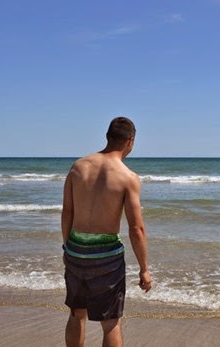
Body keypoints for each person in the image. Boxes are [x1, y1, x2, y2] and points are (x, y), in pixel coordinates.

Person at [61, 116, 151, 347]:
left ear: (107, 137)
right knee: (110, 322)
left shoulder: (78, 167)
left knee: (76, 314)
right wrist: (144, 269)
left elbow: (67, 213)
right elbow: (136, 229)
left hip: (75, 252)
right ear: (130, 141)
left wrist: (67, 247)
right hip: (106, 258)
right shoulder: (128, 177)